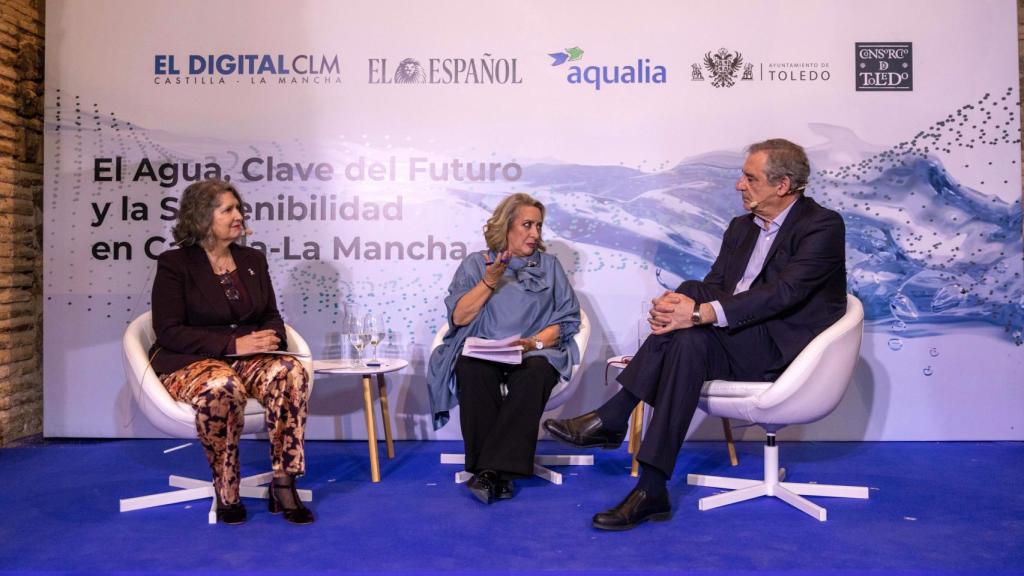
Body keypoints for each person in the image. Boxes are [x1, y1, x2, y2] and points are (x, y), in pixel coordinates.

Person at [545, 138, 847, 530]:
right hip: (730, 340)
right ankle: (652, 488)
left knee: (691, 300)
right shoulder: (741, 227)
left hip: (781, 351)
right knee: (687, 334)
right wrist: (680, 316)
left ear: (783, 185)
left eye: (750, 178)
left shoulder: (821, 225)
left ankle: (614, 415)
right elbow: (716, 284)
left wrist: (696, 311)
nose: (739, 185)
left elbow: (785, 293)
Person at [150, 178, 314, 525]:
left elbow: (270, 313)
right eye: (228, 209)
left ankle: (284, 482)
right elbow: (169, 331)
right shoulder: (175, 264)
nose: (238, 215)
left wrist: (271, 338)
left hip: (249, 359)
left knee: (289, 371)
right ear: (202, 217)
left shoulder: (252, 259)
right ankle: (226, 487)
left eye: (238, 208)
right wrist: (231, 345)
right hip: (195, 361)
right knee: (221, 387)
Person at [427, 193, 581, 504]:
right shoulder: (475, 264)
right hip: (484, 349)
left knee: (535, 373)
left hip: (534, 351)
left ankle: (488, 471)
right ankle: (502, 472)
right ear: (506, 227)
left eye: (538, 226)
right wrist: (489, 281)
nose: (535, 234)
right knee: (471, 369)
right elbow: (459, 317)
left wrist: (533, 343)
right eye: (527, 225)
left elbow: (567, 320)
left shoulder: (549, 267)